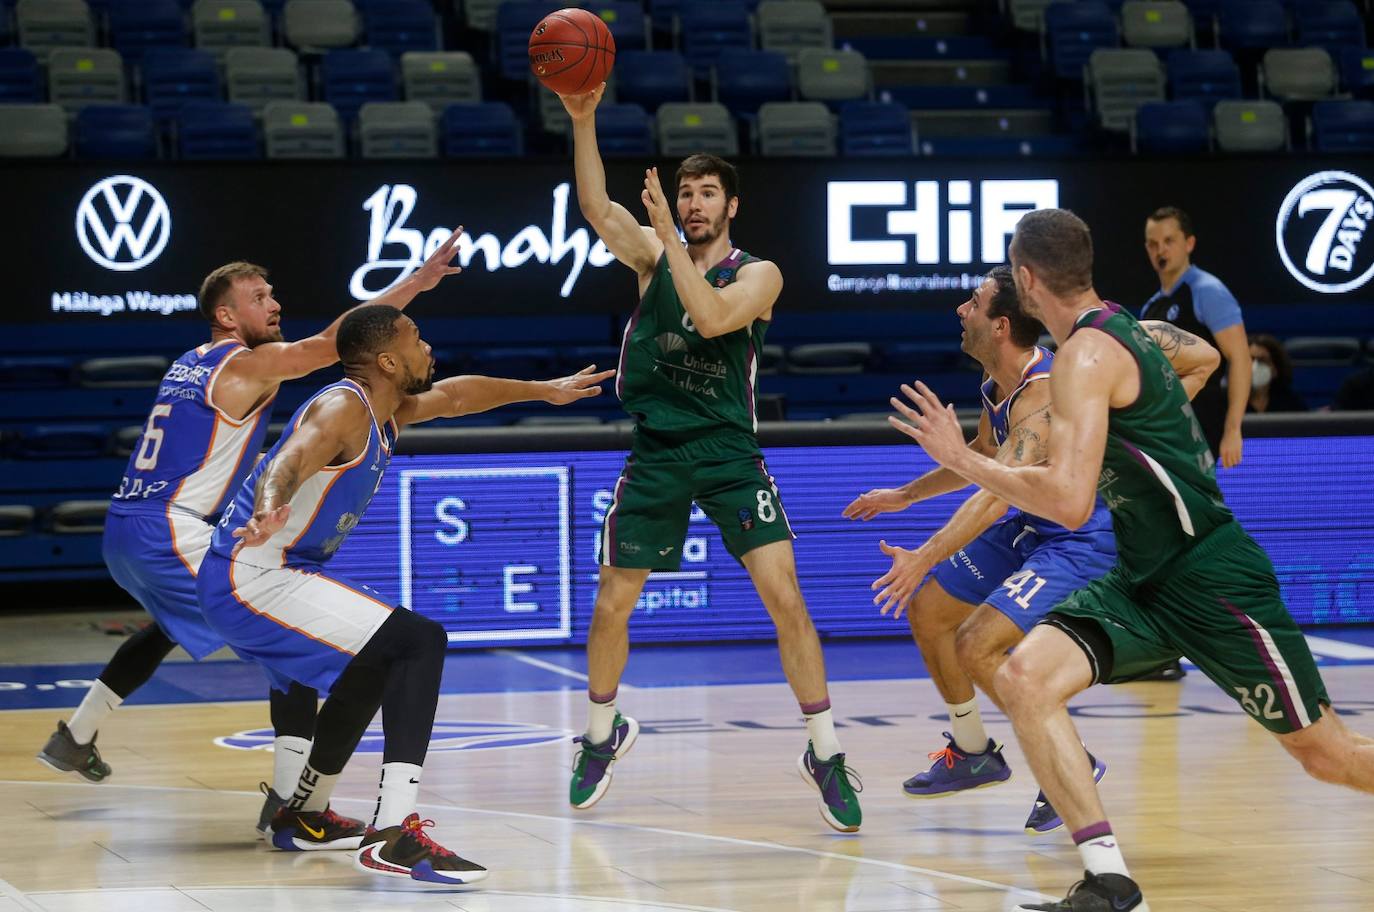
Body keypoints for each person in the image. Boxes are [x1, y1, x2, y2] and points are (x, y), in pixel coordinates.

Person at [890, 208, 1374, 912]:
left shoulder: (1084, 358)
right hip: (1143, 575)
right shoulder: (1130, 328)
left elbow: (1067, 502)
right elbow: (1202, 355)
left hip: (1209, 573)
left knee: (1325, 755)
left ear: (1026, 278)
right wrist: (1141, 425)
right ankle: (1109, 882)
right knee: (1024, 677)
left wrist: (963, 459)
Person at [37, 231, 465, 838]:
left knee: (169, 628)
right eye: (259, 297)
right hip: (169, 527)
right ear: (225, 314)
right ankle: (291, 804)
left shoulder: (191, 361)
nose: (274, 306)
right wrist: (414, 286)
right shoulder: (245, 363)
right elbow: (332, 345)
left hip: (128, 528)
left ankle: (77, 735)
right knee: (277, 632)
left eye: (272, 295)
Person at [197, 304, 613, 880]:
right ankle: (393, 833)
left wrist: (544, 390)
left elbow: (461, 395)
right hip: (252, 572)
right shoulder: (343, 406)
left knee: (375, 663)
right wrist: (268, 510)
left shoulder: (388, 410)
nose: (428, 347)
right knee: (420, 641)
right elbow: (288, 461)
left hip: (260, 573)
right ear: (388, 360)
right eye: (416, 338)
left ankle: (305, 816)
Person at [559, 84, 862, 832]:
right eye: (685, 194)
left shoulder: (761, 276)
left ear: (732, 207)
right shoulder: (651, 253)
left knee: (785, 597)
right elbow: (598, 206)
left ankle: (824, 751)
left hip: (728, 451)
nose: (692, 204)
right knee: (611, 603)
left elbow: (712, 315)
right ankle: (602, 735)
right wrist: (583, 116)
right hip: (659, 447)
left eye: (706, 194)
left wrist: (664, 237)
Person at [843, 266, 1115, 836]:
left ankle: (1073, 763)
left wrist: (923, 552)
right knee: (929, 610)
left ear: (1000, 326)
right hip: (1030, 526)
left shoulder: (1040, 396)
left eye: (972, 303)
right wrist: (904, 495)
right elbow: (980, 456)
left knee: (981, 645)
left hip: (1076, 540)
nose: (959, 310)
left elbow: (992, 496)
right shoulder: (997, 383)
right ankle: (973, 752)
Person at [1142, 206, 1251, 466]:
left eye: (1169, 241)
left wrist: (1233, 428)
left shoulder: (1207, 291)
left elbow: (1241, 359)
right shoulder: (1151, 307)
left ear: (1189, 243)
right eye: (1153, 244)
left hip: (1203, 422)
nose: (1161, 250)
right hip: (1166, 427)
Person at [1247, 334, 1307, 414]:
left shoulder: (1291, 403)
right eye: (1250, 360)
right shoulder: (1228, 402)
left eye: (1262, 360)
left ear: (1275, 369)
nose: (1254, 366)